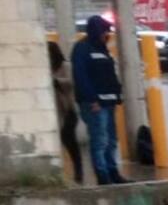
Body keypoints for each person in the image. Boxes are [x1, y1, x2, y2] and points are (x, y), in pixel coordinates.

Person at [70, 15, 127, 185]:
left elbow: (109, 75)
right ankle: (103, 176)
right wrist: (91, 99)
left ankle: (113, 172)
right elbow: (81, 76)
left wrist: (117, 96)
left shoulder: (102, 49)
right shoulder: (82, 49)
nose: (106, 35)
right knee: (99, 140)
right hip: (94, 104)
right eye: (104, 32)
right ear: (97, 31)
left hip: (108, 103)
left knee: (111, 140)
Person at [47, 41, 84, 184]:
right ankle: (71, 170)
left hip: (69, 108)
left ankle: (78, 170)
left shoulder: (65, 65)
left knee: (69, 139)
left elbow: (71, 82)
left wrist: (57, 81)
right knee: (65, 139)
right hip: (57, 111)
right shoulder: (48, 67)